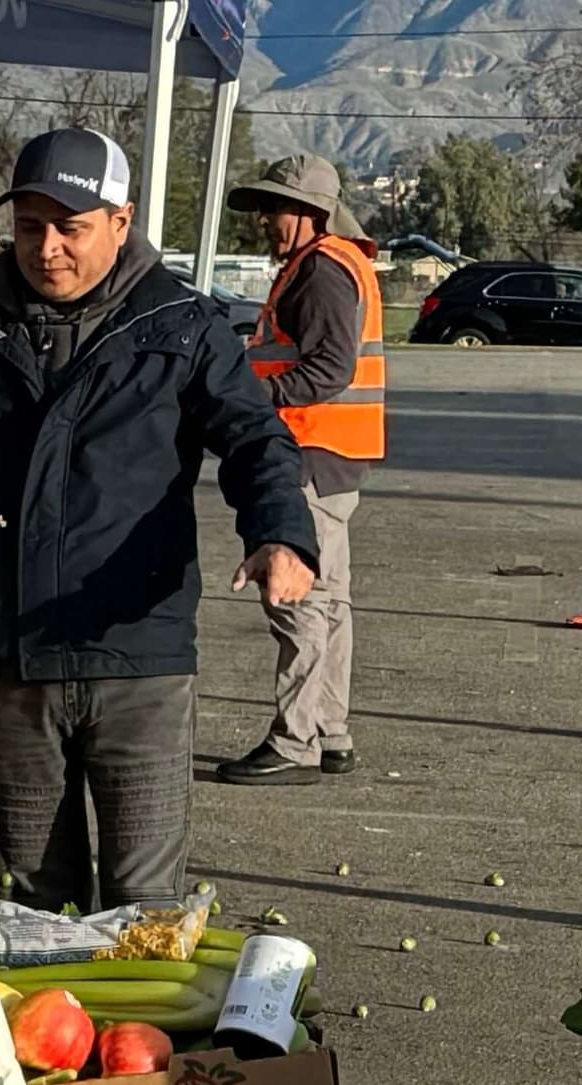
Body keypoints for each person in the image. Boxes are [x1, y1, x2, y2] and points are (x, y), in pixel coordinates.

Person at [0, 129, 318, 912]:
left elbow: (255, 439)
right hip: (11, 655)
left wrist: (279, 534)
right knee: (34, 895)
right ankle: (44, 1036)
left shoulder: (183, 328)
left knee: (142, 901)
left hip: (137, 655)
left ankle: (132, 1037)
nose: (48, 248)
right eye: (31, 227)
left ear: (121, 223)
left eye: (72, 228)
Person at [215, 155, 383, 784]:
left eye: (275, 208)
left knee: (297, 600)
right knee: (330, 600)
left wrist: (251, 397)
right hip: (336, 455)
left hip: (308, 452)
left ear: (312, 214)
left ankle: (297, 741)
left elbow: (328, 370)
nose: (265, 220)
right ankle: (328, 731)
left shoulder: (319, 272)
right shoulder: (335, 262)